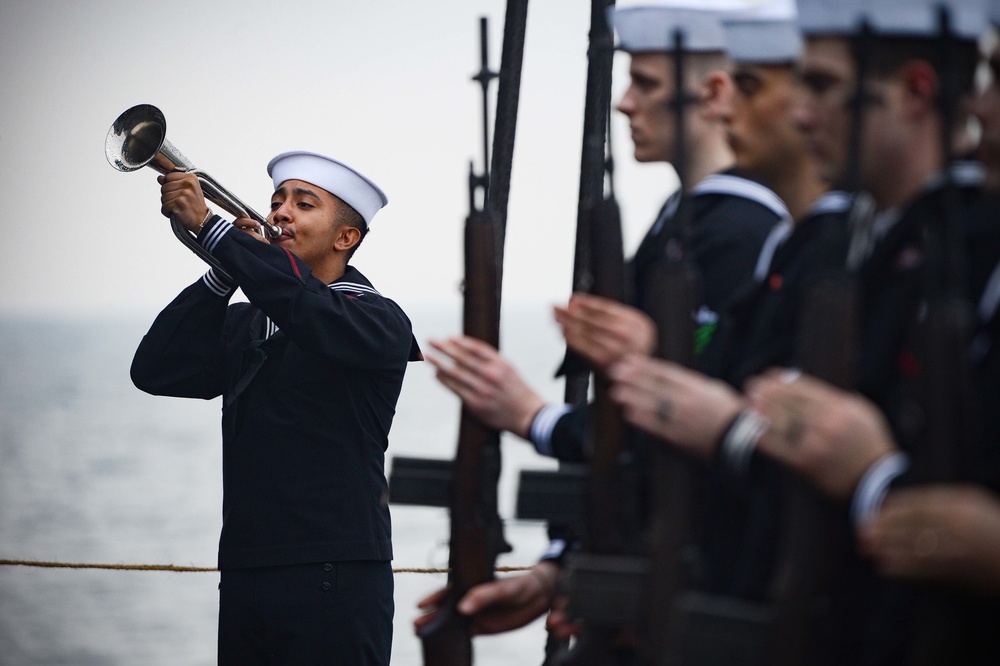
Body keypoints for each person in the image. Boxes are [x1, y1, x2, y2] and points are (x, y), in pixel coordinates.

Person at [417, 0, 787, 644]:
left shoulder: (740, 233)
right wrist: (560, 568)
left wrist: (534, 416)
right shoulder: (686, 222)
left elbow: (680, 431)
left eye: (644, 84)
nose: (623, 104)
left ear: (715, 91)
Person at [131, 150, 421, 665]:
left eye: (303, 204)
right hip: (245, 570)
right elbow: (156, 369)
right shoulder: (249, 323)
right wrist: (222, 273)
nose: (280, 213)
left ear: (345, 238)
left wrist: (214, 231)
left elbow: (309, 310)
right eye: (277, 202)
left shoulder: (377, 320)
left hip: (335, 574)